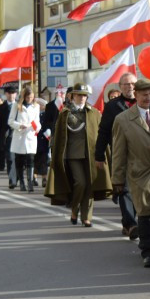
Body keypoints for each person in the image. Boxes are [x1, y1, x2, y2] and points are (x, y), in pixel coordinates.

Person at [112, 80, 150, 268]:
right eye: (144, 94)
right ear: (136, 95)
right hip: (139, 173)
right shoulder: (123, 119)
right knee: (145, 212)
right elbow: (118, 152)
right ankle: (149, 251)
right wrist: (117, 179)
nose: (148, 98)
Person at [44, 84, 112, 227]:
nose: (82, 98)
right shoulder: (65, 113)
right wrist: (54, 153)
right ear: (72, 96)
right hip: (72, 154)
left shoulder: (94, 113)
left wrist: (103, 153)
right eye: (79, 95)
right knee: (80, 182)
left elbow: (101, 134)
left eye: (84, 95)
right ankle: (74, 210)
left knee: (90, 184)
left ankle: (86, 217)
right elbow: (58, 135)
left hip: (91, 153)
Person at [94, 72, 138, 240]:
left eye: (133, 84)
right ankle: (132, 224)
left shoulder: (145, 103)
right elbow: (104, 131)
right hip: (121, 153)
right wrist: (99, 155)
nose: (130, 87)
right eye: (126, 85)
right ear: (120, 87)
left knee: (138, 190)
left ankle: (128, 222)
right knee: (124, 189)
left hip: (142, 154)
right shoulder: (112, 106)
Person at [8, 86, 40, 192]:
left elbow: (37, 121)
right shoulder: (17, 106)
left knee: (31, 159)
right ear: (24, 97)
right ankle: (21, 182)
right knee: (19, 160)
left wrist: (37, 128)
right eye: (27, 97)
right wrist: (20, 125)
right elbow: (11, 121)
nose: (29, 99)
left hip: (30, 135)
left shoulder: (36, 106)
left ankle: (30, 182)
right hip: (20, 136)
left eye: (31, 97)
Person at [0, 85, 18, 187]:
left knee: (19, 159)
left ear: (16, 94)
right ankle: (12, 179)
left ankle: (18, 177)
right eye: (9, 93)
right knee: (10, 158)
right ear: (6, 94)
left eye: (13, 93)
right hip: (7, 136)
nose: (11, 95)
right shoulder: (1, 108)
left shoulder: (20, 106)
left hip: (19, 135)